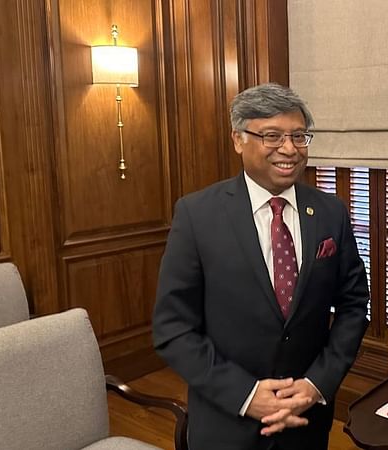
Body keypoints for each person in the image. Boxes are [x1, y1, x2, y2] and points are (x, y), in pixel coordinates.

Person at [153, 83, 370, 450]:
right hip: (226, 422)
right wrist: (247, 395)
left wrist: (316, 384)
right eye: (272, 136)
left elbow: (353, 306)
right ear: (238, 139)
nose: (289, 149)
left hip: (306, 419)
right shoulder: (197, 215)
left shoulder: (331, 212)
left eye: (299, 136)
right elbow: (173, 328)